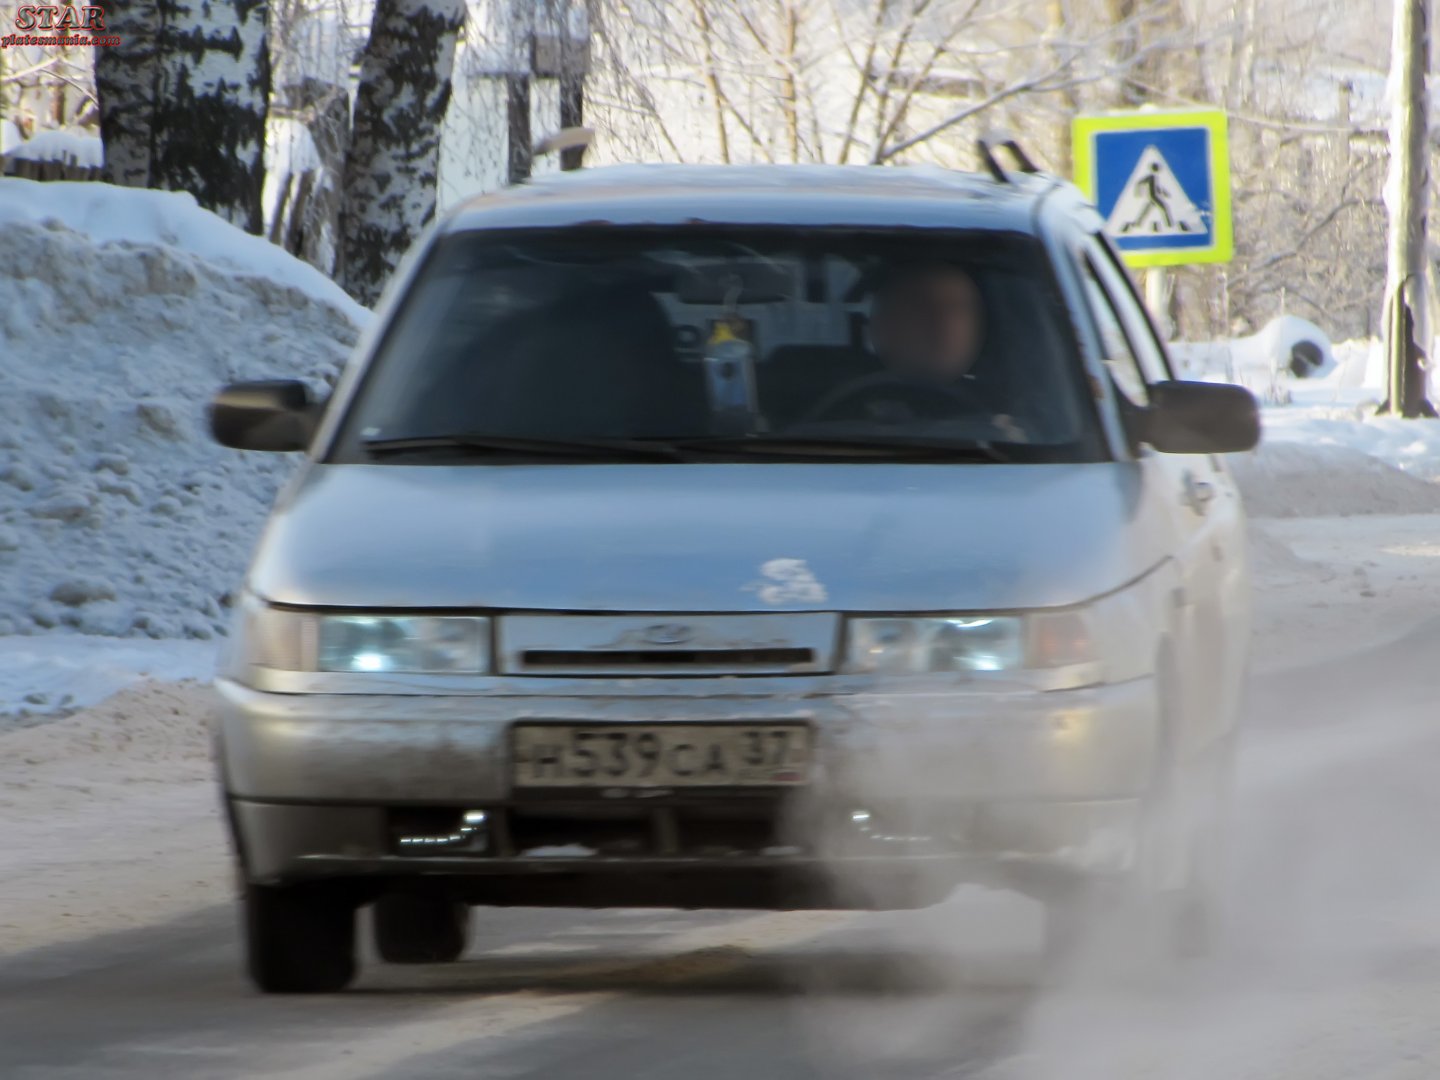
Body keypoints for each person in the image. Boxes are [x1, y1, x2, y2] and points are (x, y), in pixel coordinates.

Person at [868, 262, 985, 382]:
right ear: (885, 323)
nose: (945, 322)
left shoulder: (995, 396)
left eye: (960, 307)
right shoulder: (856, 392)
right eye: (922, 306)